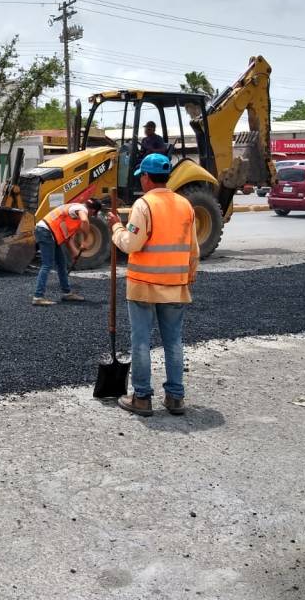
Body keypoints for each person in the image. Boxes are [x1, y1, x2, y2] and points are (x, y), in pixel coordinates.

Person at [105, 152, 199, 416]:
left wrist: (116, 228)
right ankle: (175, 398)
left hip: (144, 284)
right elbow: (194, 249)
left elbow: (131, 243)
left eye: (141, 177)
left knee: (142, 342)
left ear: (146, 177)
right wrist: (188, 277)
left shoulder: (144, 206)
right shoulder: (185, 205)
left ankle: (143, 397)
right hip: (176, 285)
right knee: (173, 342)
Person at [32, 198, 103, 306]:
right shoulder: (81, 209)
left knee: (61, 264)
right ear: (93, 211)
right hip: (46, 232)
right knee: (47, 264)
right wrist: (86, 239)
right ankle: (38, 297)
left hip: (50, 234)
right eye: (93, 214)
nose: (91, 216)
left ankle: (67, 293)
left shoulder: (74, 213)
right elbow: (85, 221)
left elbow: (67, 239)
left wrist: (74, 253)